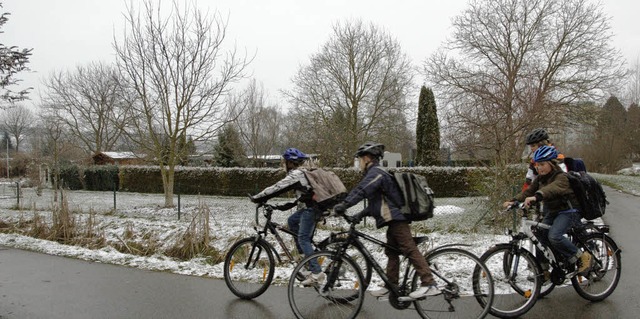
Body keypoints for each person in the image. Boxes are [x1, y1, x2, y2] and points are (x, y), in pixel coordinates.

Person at [333, 142, 438, 299]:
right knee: (391, 252)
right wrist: (360, 215)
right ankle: (391, 285)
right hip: (393, 220)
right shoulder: (377, 173)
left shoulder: (376, 173)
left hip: (397, 220)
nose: (359, 163)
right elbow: (379, 202)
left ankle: (429, 283)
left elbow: (362, 190)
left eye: (360, 159)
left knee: (408, 248)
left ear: (367, 158)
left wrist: (344, 204)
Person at [503, 145, 592, 274]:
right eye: (537, 165)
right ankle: (546, 269)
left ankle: (582, 256)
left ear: (551, 164)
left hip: (569, 211)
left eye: (542, 164)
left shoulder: (561, 177)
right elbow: (528, 191)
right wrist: (513, 201)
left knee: (554, 236)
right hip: (553, 212)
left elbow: (552, 189)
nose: (539, 168)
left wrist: (537, 196)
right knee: (539, 234)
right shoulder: (540, 179)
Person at [250, 148, 324, 285]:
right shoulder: (302, 173)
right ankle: (305, 258)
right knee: (292, 221)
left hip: (312, 209)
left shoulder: (296, 174)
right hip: (310, 207)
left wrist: (258, 198)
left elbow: (278, 187)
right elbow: (300, 199)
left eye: (284, 161)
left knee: (303, 238)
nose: (283, 164)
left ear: (290, 162)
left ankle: (316, 272)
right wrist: (280, 206)